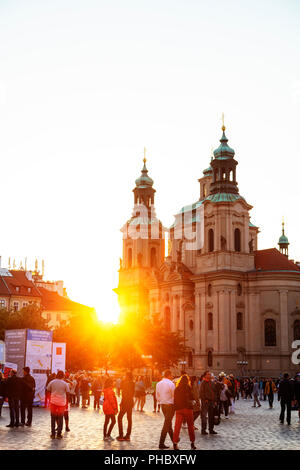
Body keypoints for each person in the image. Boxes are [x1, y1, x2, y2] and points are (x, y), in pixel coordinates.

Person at [172, 375, 196, 450]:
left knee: (177, 427)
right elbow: (192, 398)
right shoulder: (188, 388)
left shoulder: (177, 389)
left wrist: (176, 408)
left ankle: (175, 443)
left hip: (179, 409)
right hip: (188, 409)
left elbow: (175, 400)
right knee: (190, 427)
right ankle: (192, 443)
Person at [47, 370, 70, 438]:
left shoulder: (52, 382)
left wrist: (49, 399)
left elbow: (48, 390)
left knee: (53, 418)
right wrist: (66, 402)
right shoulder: (65, 383)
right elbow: (68, 393)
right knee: (60, 418)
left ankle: (53, 434)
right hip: (61, 403)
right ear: (63, 376)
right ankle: (59, 434)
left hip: (53, 402)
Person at [156, 370, 175, 450]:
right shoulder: (171, 384)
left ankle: (174, 440)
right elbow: (174, 395)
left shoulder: (158, 383)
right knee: (167, 424)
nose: (172, 376)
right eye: (172, 375)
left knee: (168, 423)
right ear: (169, 375)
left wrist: (160, 401)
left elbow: (157, 395)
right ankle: (161, 442)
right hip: (170, 405)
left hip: (163, 405)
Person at [116, 372, 135, 441]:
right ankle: (128, 435)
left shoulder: (126, 383)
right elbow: (132, 394)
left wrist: (121, 403)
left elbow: (124, 395)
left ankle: (121, 435)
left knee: (119, 417)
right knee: (129, 419)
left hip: (125, 402)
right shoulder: (133, 383)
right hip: (130, 402)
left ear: (127, 376)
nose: (124, 376)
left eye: (125, 375)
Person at [199, 370, 217, 435]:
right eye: (208, 374)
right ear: (205, 375)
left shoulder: (212, 383)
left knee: (211, 416)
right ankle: (203, 430)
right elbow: (201, 392)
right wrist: (205, 399)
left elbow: (215, 392)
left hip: (212, 402)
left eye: (210, 374)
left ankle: (211, 429)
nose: (209, 375)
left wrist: (215, 400)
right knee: (204, 416)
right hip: (205, 402)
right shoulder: (202, 383)